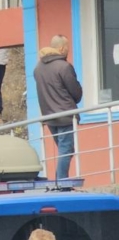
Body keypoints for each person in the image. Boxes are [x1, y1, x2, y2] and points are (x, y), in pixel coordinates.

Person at [35, 35, 82, 180]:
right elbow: (76, 93)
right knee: (66, 150)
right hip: (66, 115)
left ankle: (60, 181)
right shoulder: (64, 66)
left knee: (65, 150)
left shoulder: (38, 68)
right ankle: (61, 182)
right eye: (67, 47)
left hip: (50, 117)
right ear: (61, 48)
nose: (68, 50)